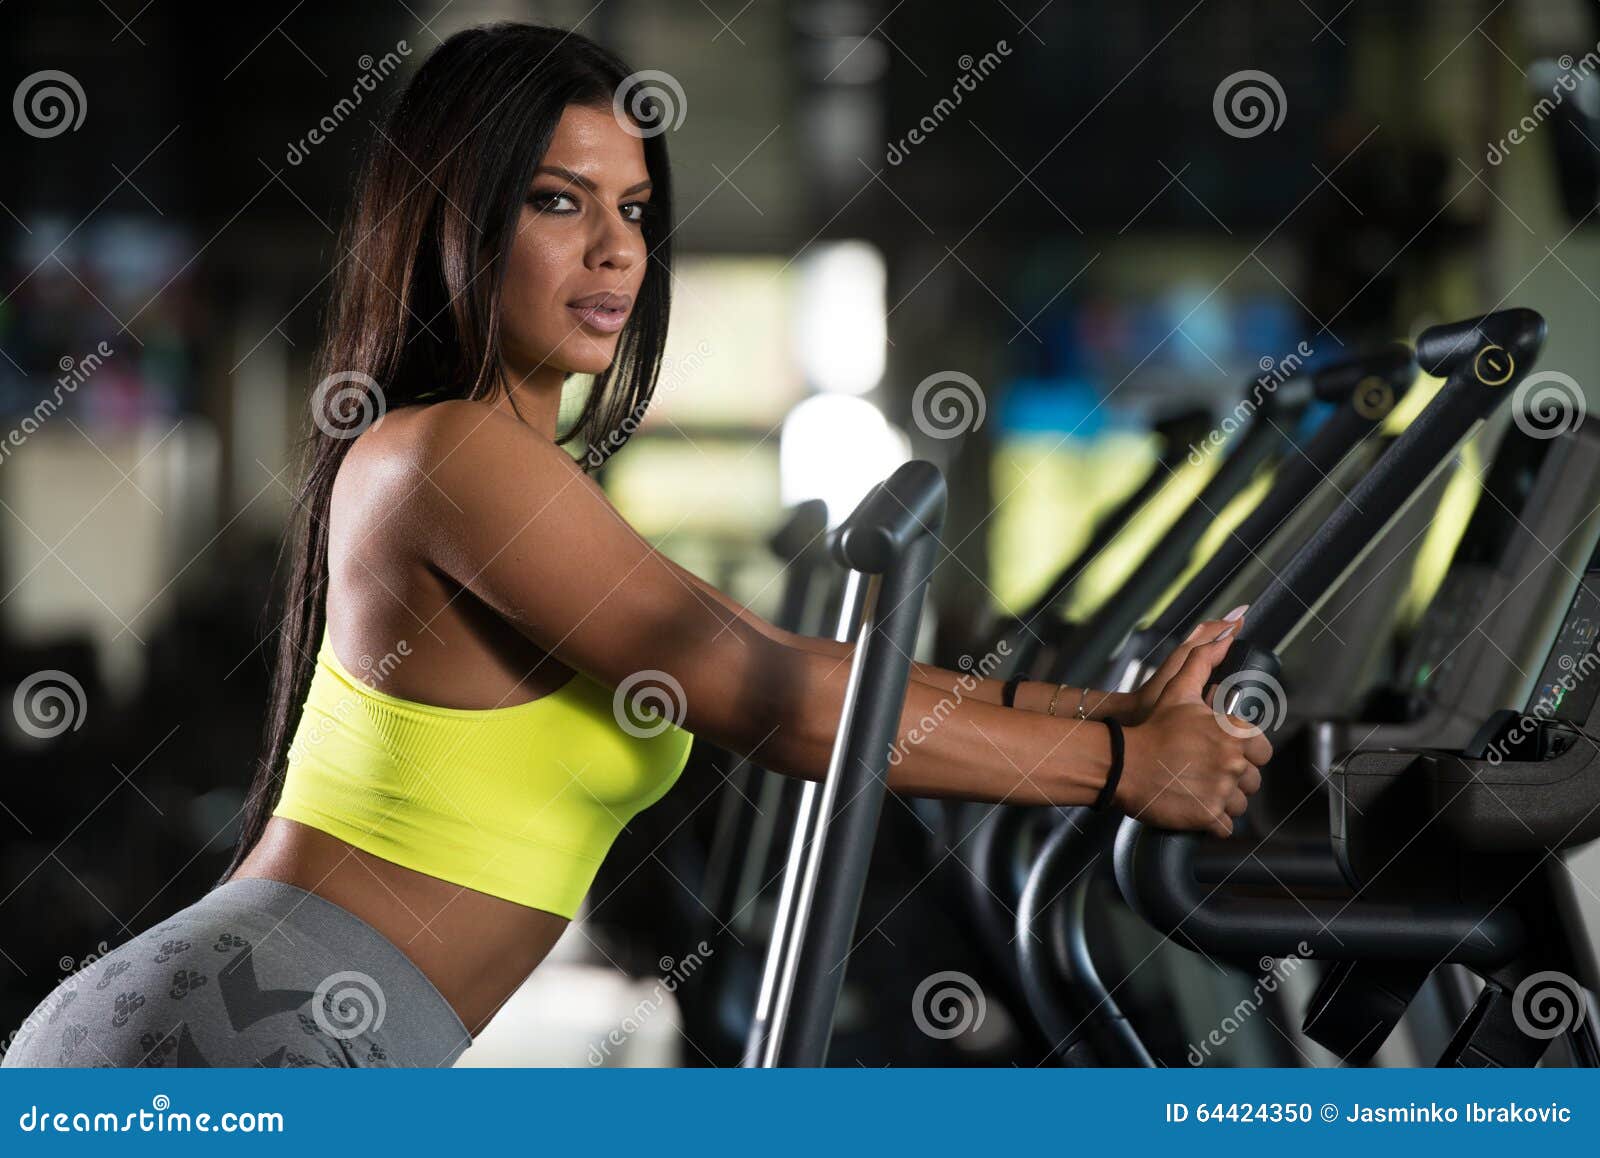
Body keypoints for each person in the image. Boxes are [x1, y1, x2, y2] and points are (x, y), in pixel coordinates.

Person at [0, 21, 1267, 1070]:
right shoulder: (447, 457)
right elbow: (783, 706)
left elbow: (796, 660)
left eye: (636, 208)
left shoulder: (506, 474)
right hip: (233, 1042)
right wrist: (1120, 768)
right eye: (559, 202)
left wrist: (1107, 713)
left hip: (290, 1031)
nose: (617, 249)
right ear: (459, 219)